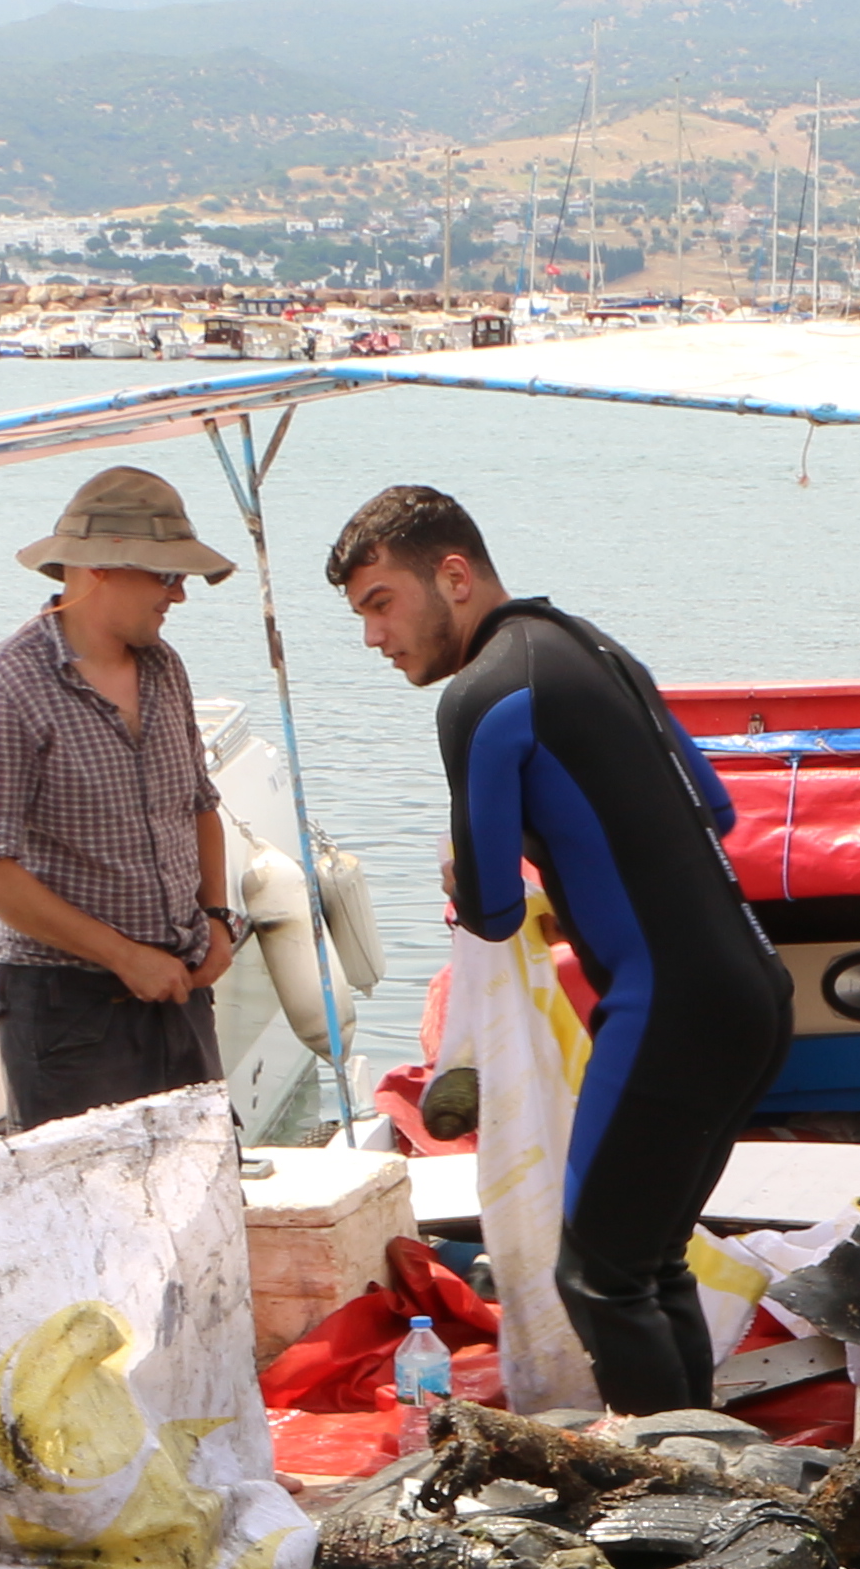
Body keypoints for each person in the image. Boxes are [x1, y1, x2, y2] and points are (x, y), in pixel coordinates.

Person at [325, 483, 788, 1416]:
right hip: (754, 993)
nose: (375, 637)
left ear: (452, 577)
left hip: (668, 1006)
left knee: (600, 1276)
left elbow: (490, 909)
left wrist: (471, 865)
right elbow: (722, 809)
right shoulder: (592, 645)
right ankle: (704, 1470)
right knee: (646, 1259)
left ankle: (679, 1502)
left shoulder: (481, 696)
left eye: (382, 605)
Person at [0, 465, 244, 1126]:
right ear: (104, 568)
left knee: (206, 1199)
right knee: (88, 1222)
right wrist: (123, 956)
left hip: (178, 990)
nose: (179, 596)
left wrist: (218, 918)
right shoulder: (7, 683)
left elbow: (199, 806)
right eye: (167, 577)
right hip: (66, 1011)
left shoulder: (166, 666)